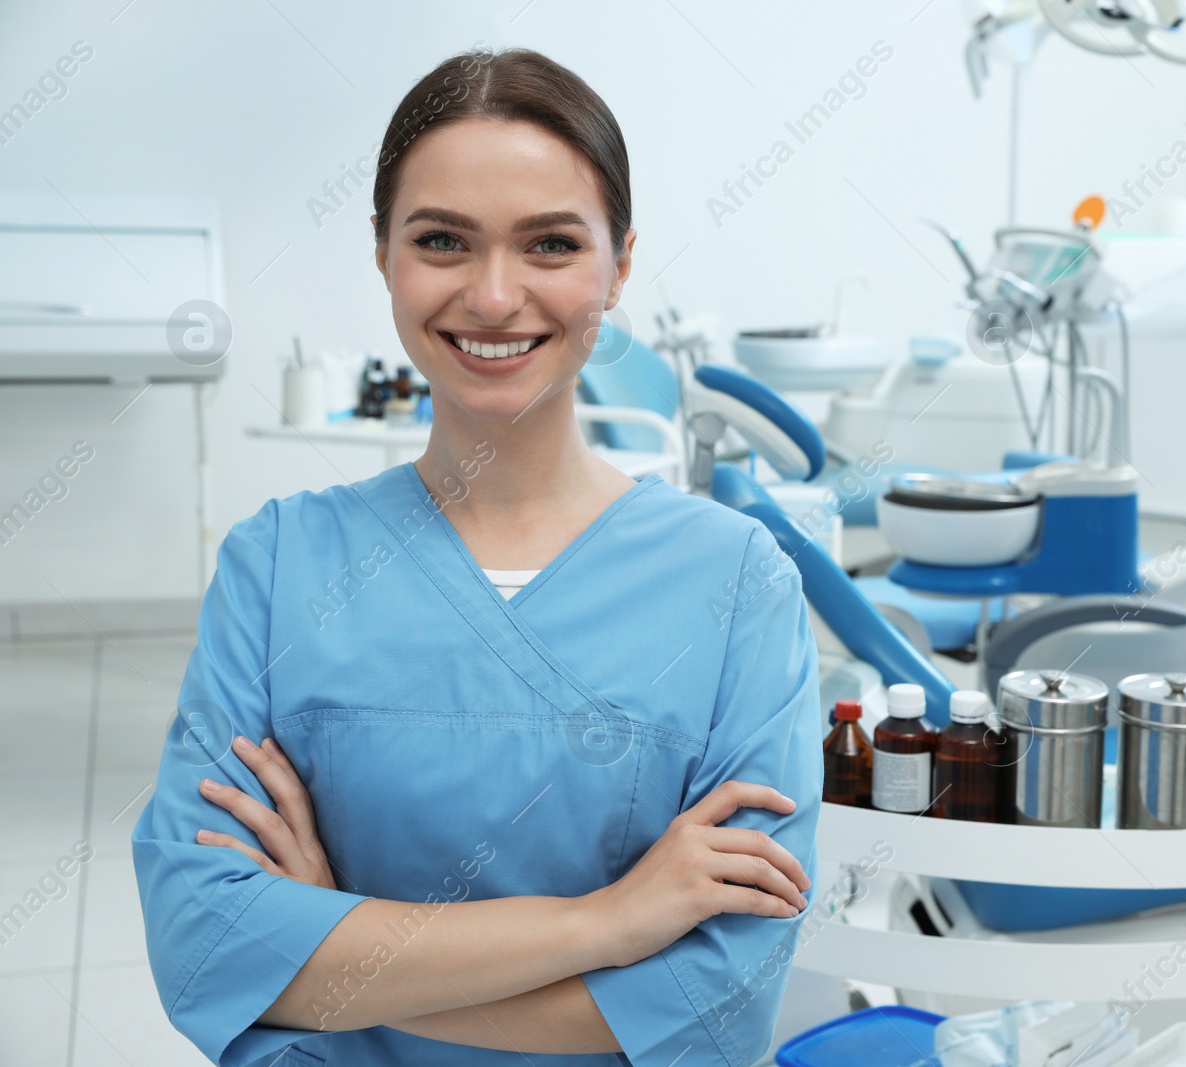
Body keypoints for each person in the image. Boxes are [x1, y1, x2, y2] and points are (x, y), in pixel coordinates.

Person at [132, 46, 822, 1067]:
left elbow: (721, 999)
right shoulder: (277, 564)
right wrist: (611, 920)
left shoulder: (737, 581)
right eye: (443, 240)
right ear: (383, 255)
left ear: (618, 265)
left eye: (548, 244)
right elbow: (201, 944)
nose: (494, 297)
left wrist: (330, 941)